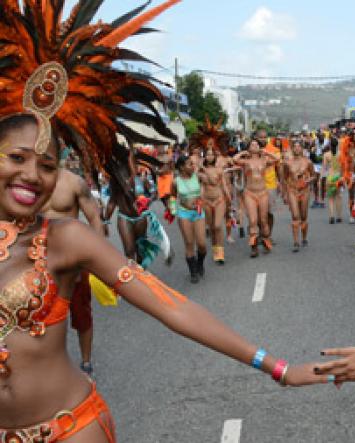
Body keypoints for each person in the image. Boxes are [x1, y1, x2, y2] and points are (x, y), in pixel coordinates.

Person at [0, 3, 329, 440]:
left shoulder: (66, 239)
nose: (32, 176)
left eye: (46, 164)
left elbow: (171, 307)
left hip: (69, 430)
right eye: (17, 158)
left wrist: (278, 367)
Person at [43, 166, 105, 376]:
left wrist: (95, 256)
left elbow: (95, 219)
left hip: (73, 262)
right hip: (40, 261)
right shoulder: (29, 181)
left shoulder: (73, 182)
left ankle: (86, 363)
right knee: (41, 318)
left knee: (81, 315)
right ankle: (48, 365)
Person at [233, 140, 279, 257]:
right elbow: (234, 159)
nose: (255, 146)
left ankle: (266, 242)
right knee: (253, 220)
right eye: (252, 144)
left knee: (263, 220)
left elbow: (277, 159)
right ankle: (253, 248)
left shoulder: (265, 160)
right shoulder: (246, 161)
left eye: (257, 145)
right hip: (250, 193)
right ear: (249, 148)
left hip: (263, 192)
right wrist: (243, 152)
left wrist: (267, 152)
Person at [171, 156, 207, 282]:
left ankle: (200, 263)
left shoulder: (197, 176)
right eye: (189, 164)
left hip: (198, 212)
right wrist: (173, 210)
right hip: (184, 214)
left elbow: (208, 181)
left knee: (202, 244)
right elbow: (173, 197)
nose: (192, 166)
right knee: (189, 243)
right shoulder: (176, 182)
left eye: (192, 164)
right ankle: (193, 272)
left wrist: (202, 169)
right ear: (181, 167)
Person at [282, 140, 315, 251]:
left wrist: (307, 180)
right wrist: (285, 193)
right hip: (292, 190)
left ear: (302, 149)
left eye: (299, 146)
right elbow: (285, 178)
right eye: (294, 147)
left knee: (304, 216)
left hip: (304, 191)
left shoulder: (308, 162)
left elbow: (314, 176)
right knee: (295, 216)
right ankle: (296, 242)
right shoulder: (287, 163)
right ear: (292, 149)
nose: (297, 148)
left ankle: (304, 238)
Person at [256, 129, 281, 240]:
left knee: (269, 212)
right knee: (258, 214)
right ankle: (261, 233)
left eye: (264, 137)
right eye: (260, 137)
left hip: (270, 184)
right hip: (256, 185)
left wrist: (280, 181)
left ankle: (268, 235)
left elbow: (278, 166)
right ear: (256, 137)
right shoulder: (252, 149)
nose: (263, 139)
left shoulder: (274, 150)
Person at [322, 142, 343, 224]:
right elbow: (343, 165)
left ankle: (331, 216)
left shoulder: (326, 155)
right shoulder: (341, 154)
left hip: (330, 177)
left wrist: (322, 178)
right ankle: (339, 216)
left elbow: (324, 167)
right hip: (338, 177)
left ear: (330, 146)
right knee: (339, 197)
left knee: (331, 198)